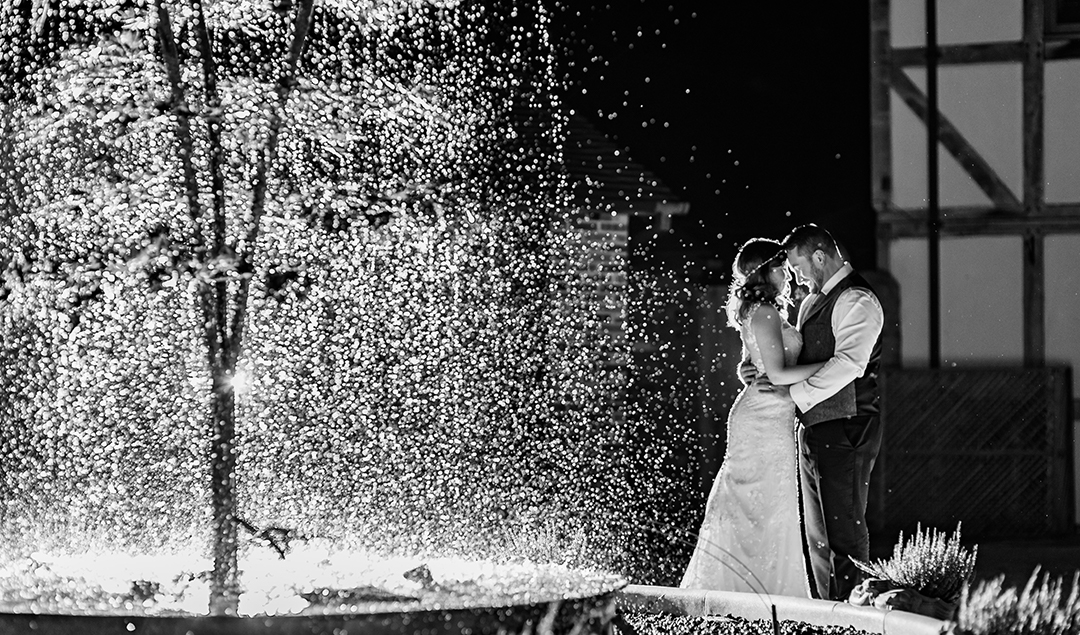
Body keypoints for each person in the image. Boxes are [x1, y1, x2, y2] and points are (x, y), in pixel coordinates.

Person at [680, 238, 825, 597]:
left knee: (771, 507)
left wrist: (747, 369)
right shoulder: (764, 312)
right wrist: (833, 367)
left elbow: (751, 363)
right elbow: (776, 374)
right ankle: (743, 594)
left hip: (773, 417)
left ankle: (765, 594)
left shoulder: (765, 311)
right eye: (781, 267)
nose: (787, 274)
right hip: (761, 420)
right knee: (753, 507)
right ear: (765, 272)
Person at [750, 224, 884, 601]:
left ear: (820, 257)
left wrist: (794, 394)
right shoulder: (813, 301)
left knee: (844, 531)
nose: (795, 276)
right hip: (814, 427)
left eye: (799, 266)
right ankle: (828, 616)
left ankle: (854, 618)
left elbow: (848, 365)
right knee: (819, 537)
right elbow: (797, 355)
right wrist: (759, 367)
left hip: (848, 425)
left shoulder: (857, 299)